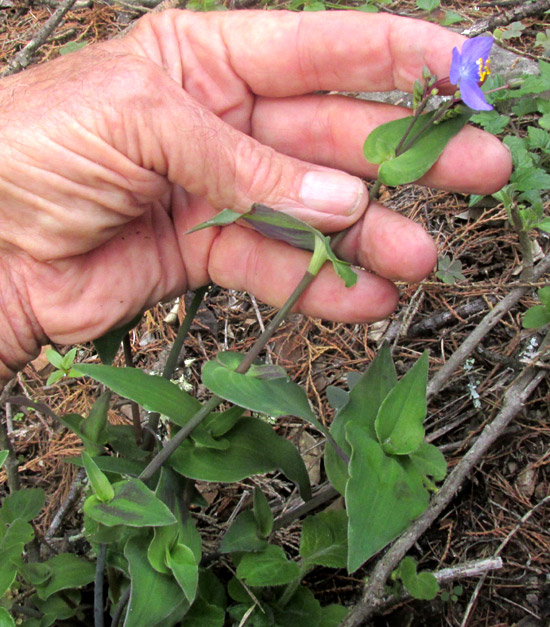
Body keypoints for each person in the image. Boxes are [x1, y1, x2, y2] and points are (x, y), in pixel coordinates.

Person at [0, 9, 512, 385]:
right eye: (470, 70)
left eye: (475, 73)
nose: (475, 73)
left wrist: (16, 295)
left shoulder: (456, 88)